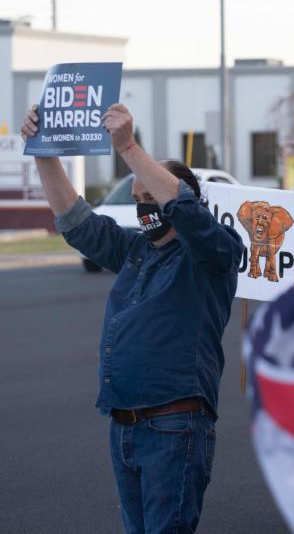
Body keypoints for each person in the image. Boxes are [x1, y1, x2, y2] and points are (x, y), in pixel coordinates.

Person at [21, 103, 244, 533]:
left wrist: (127, 147)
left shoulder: (214, 254)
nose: (144, 207)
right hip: (124, 426)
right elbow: (77, 223)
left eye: (151, 197)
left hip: (174, 426)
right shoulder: (137, 250)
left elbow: (187, 212)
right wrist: (44, 152)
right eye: (138, 198)